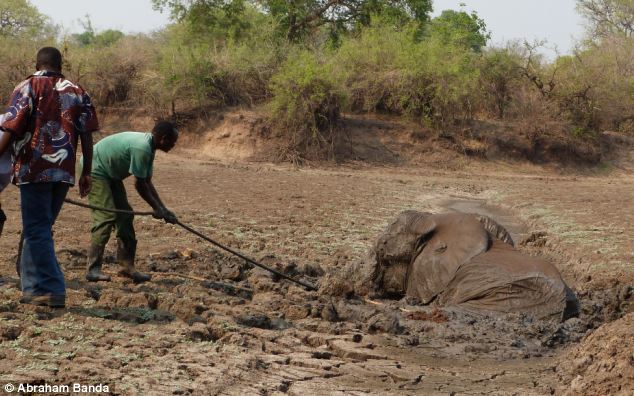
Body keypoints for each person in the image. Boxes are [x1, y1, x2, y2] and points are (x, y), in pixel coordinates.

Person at [0, 47, 98, 308]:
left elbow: (11, 127)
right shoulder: (78, 91)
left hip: (34, 168)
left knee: (37, 229)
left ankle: (51, 287)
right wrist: (86, 172)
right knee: (41, 229)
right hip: (65, 171)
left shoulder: (29, 86)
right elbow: (87, 135)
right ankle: (33, 288)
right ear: (60, 63)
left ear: (37, 63)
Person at [84, 121, 178, 283]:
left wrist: (163, 209)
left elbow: (147, 181)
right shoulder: (142, 147)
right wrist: (157, 208)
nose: (174, 145)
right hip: (95, 170)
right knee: (106, 216)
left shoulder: (149, 146)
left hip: (110, 174)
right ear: (163, 139)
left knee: (125, 216)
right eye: (173, 141)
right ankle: (93, 269)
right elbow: (139, 184)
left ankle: (127, 267)